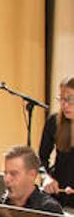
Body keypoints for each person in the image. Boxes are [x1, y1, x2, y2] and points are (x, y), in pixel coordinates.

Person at [38, 74, 74, 205]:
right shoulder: (54, 122)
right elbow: (41, 159)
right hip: (58, 195)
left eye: (70, 99)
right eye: (61, 99)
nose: (64, 105)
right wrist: (46, 178)